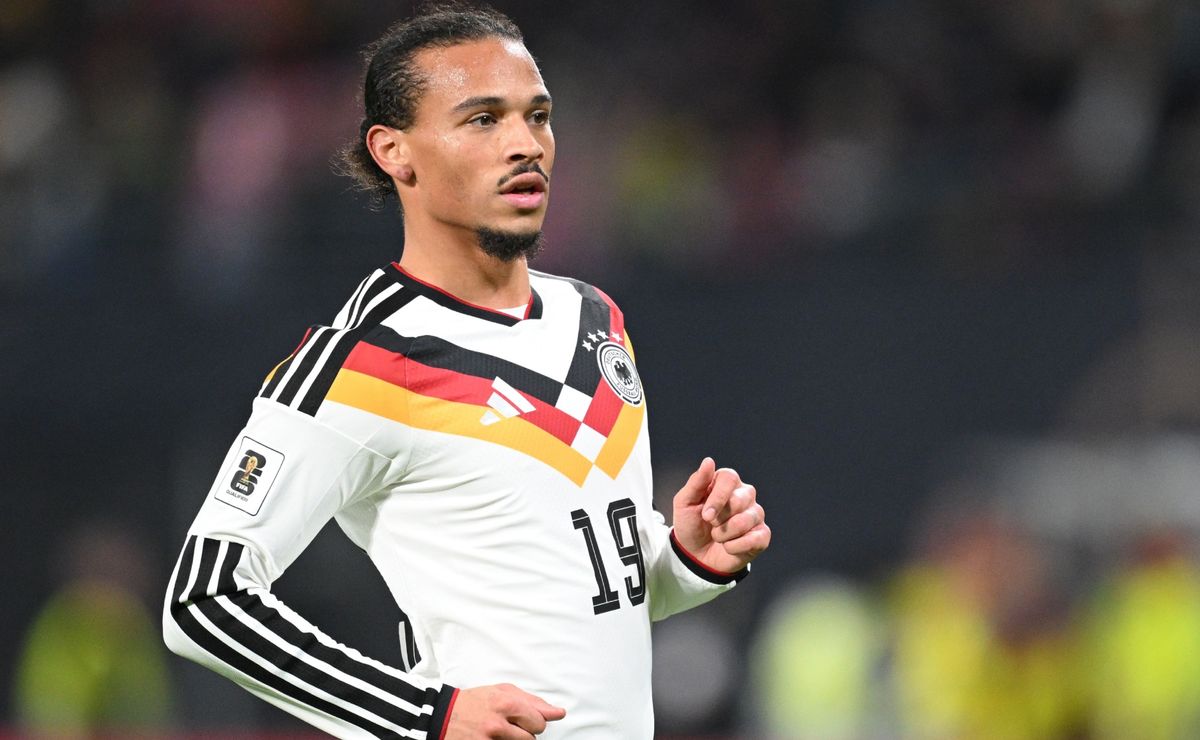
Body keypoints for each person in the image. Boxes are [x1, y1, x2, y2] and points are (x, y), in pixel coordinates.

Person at [162, 5, 770, 738]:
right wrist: (422, 714)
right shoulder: (364, 362)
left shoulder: (595, 318)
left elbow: (582, 593)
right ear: (395, 152)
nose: (525, 144)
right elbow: (203, 602)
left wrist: (684, 561)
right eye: (483, 120)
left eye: (537, 116)